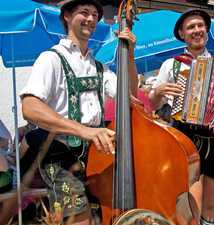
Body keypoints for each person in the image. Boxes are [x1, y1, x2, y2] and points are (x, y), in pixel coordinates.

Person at [19, 0, 138, 224]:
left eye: (95, 14)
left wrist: (129, 56)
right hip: (60, 154)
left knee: (108, 213)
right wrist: (85, 131)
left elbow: (131, 97)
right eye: (84, 12)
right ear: (66, 16)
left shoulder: (99, 66)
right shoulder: (51, 59)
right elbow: (30, 107)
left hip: (96, 153)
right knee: (80, 218)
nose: (91, 19)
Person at [148, 9, 214, 225]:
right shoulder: (172, 64)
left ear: (206, 31)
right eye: (191, 27)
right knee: (190, 207)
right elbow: (154, 105)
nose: (197, 30)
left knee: (213, 207)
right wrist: (157, 93)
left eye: (200, 26)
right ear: (182, 34)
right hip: (184, 139)